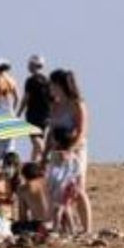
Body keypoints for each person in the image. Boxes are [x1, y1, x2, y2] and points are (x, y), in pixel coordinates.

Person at [45, 68, 92, 233]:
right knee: (56, 189)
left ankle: (87, 229)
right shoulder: (55, 105)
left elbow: (82, 131)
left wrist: (71, 150)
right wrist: (45, 154)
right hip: (57, 151)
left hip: (75, 150)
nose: (50, 88)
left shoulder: (77, 104)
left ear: (59, 85)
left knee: (77, 189)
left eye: (52, 84)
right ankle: (64, 227)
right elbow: (50, 132)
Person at [20, 55, 52, 163]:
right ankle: (33, 163)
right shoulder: (47, 80)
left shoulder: (31, 80)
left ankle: (46, 156)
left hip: (33, 114)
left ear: (33, 66)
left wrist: (19, 112)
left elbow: (26, 98)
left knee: (35, 138)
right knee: (38, 140)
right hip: (46, 114)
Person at [15, 161, 51, 232]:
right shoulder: (48, 182)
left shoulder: (22, 189)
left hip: (39, 224)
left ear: (24, 175)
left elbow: (23, 216)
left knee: (14, 227)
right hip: (55, 221)